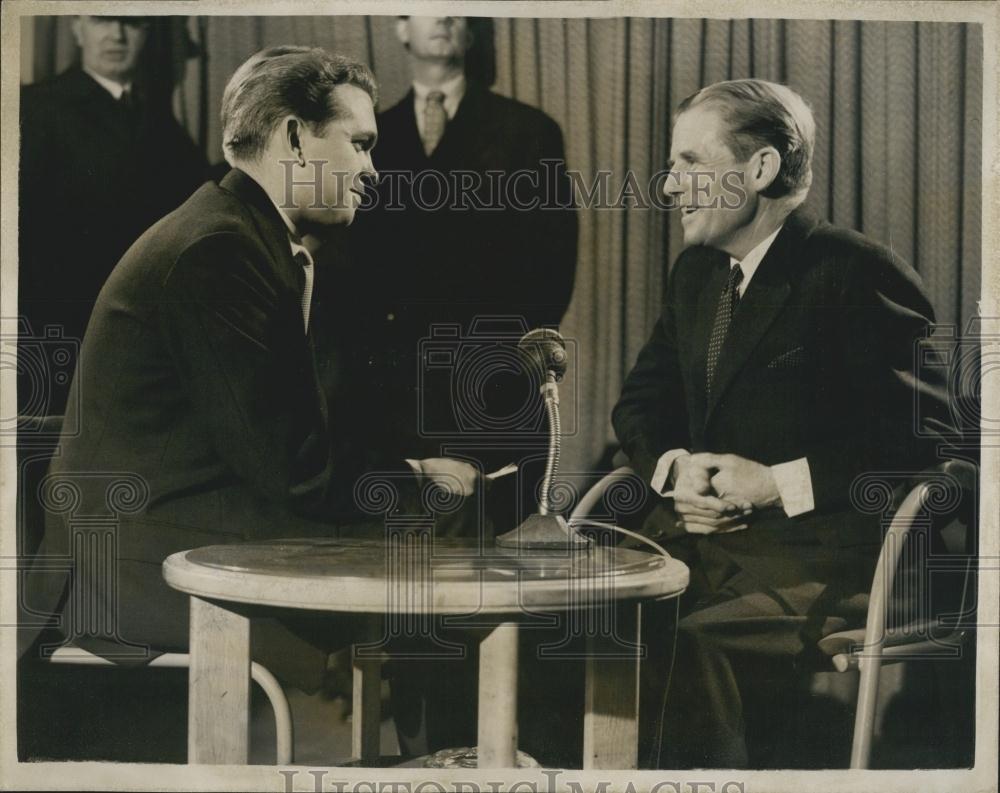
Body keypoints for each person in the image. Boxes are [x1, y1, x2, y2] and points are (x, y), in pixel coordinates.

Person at [20, 46, 479, 693]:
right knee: (450, 523)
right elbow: (294, 469)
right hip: (133, 567)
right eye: (359, 144)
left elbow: (286, 440)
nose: (373, 170)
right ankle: (460, 741)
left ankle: (436, 731)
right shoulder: (217, 251)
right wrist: (415, 476)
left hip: (171, 531)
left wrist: (411, 472)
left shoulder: (241, 234)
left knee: (437, 527)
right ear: (293, 138)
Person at [611, 79, 953, 767]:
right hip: (706, 548)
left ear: (760, 168)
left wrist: (775, 484)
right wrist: (677, 470)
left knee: (683, 636)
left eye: (689, 163)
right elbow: (641, 405)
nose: (669, 186)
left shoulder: (853, 271)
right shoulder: (696, 275)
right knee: (585, 620)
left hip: (842, 557)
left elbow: (929, 436)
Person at [327, 15, 578, 469]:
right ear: (402, 28)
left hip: (494, 385)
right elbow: (349, 262)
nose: (444, 15)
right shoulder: (369, 137)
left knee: (494, 506)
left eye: (458, 8)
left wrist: (510, 363)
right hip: (392, 391)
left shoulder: (529, 131)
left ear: (472, 31)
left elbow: (554, 263)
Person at [18, 15, 207, 416]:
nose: (117, 35)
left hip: (145, 342)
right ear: (77, 28)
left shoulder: (159, 120)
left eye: (131, 23)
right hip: (59, 340)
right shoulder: (35, 108)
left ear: (147, 34)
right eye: (103, 19)